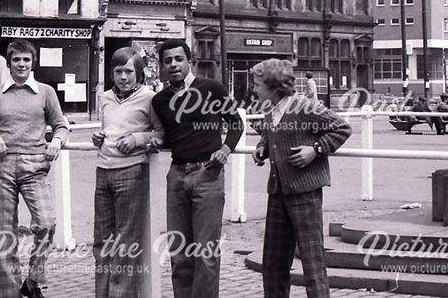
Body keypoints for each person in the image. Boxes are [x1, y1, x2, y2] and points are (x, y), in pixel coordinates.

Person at [251, 58, 352, 298]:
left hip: (304, 194)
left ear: (274, 86)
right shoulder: (269, 109)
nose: (253, 89)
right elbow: (270, 133)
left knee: (312, 262)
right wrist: (262, 147)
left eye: (257, 84)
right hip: (277, 192)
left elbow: (342, 128)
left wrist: (315, 150)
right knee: (273, 263)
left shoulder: (304, 107)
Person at [151, 39, 243, 298]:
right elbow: (168, 136)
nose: (173, 65)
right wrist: (152, 141)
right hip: (177, 176)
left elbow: (236, 123)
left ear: (189, 61)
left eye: (178, 59)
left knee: (206, 253)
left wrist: (225, 150)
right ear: (161, 66)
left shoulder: (212, 88)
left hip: (207, 176)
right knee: (179, 254)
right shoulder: (160, 100)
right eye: (167, 61)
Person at [0, 40, 69, 298]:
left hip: (35, 165)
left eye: (26, 60)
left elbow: (60, 125)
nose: (21, 64)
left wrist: (57, 141)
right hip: (1, 167)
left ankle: (33, 280)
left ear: (33, 63)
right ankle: (8, 294)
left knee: (47, 223)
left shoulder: (45, 92)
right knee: (5, 233)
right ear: (8, 64)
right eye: (16, 60)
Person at [92, 47, 164, 298]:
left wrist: (137, 138)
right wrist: (97, 138)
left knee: (124, 243)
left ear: (139, 74)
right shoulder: (105, 97)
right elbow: (107, 130)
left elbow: (160, 133)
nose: (123, 77)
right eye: (119, 71)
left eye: (129, 71)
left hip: (131, 171)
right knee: (101, 242)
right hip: (103, 170)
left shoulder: (149, 97)